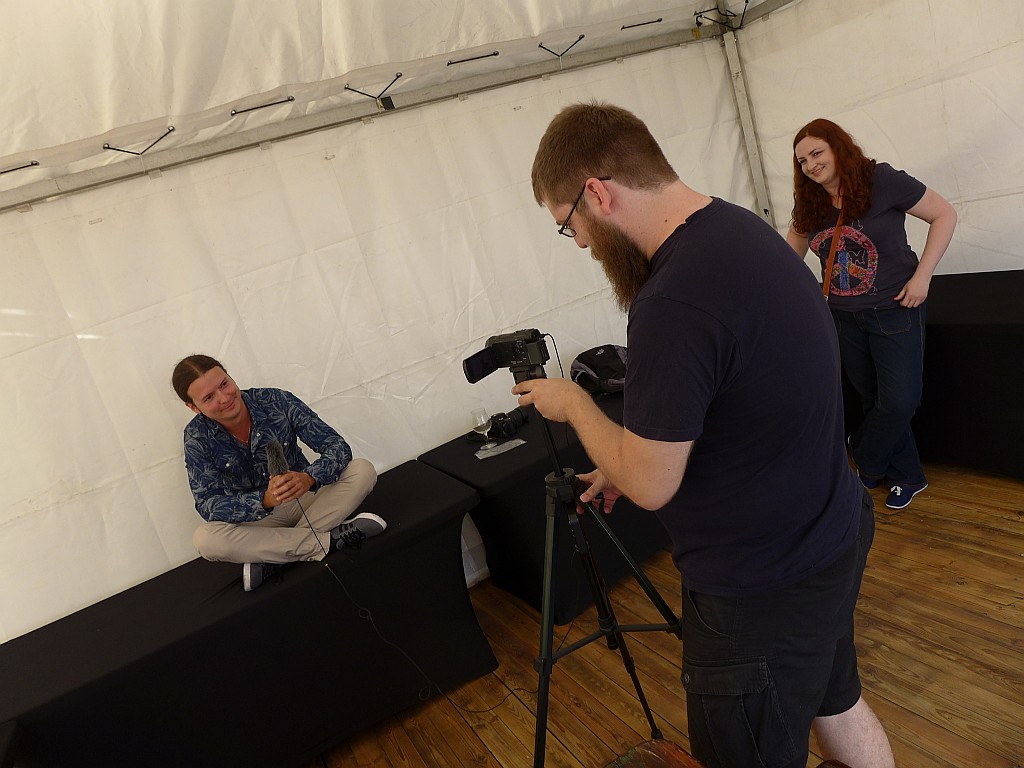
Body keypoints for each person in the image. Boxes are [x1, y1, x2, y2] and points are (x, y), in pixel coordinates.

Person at [513, 103, 894, 768]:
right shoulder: (737, 228)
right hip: (830, 531)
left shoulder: (671, 302)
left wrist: (573, 403)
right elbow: (739, 404)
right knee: (837, 701)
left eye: (569, 224)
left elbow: (650, 485)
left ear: (597, 193)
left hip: (761, 588)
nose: (579, 244)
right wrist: (623, 458)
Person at [786, 119, 957, 510]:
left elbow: (944, 214)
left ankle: (863, 451)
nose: (810, 165)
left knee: (899, 401)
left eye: (817, 153)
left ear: (838, 148)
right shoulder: (809, 202)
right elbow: (786, 260)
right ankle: (905, 475)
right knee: (871, 399)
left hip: (894, 309)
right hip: (843, 317)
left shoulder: (881, 180)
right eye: (802, 161)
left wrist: (923, 277)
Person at [171, 354, 383, 591]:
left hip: (306, 499)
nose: (224, 398)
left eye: (224, 384)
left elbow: (336, 446)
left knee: (362, 470)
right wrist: (263, 500)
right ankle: (327, 541)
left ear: (230, 376)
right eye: (209, 397)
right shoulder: (196, 437)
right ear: (193, 407)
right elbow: (207, 504)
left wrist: (309, 477)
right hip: (259, 521)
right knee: (205, 540)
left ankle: (274, 556)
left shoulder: (275, 399)